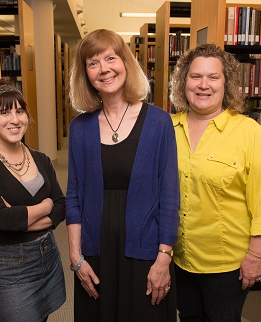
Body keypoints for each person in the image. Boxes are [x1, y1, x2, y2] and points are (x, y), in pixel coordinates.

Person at [66, 29, 180, 322]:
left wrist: (164, 259)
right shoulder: (80, 128)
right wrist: (76, 258)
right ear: (86, 74)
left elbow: (169, 198)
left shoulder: (159, 122)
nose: (104, 69)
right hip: (95, 254)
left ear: (125, 63)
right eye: (93, 63)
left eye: (110, 58)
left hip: (145, 253)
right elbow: (74, 197)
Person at [169, 43, 261, 321]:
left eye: (213, 77)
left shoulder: (250, 134)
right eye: (195, 76)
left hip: (228, 264)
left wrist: (255, 258)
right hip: (179, 258)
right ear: (183, 82)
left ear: (227, 83)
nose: (203, 85)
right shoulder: (166, 128)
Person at [0, 78, 66, 322]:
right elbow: (3, 219)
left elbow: (62, 205)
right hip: (10, 267)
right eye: (4, 112)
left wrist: (26, 216)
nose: (15, 120)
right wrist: (45, 206)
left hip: (48, 255)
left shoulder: (40, 158)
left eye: (20, 111)